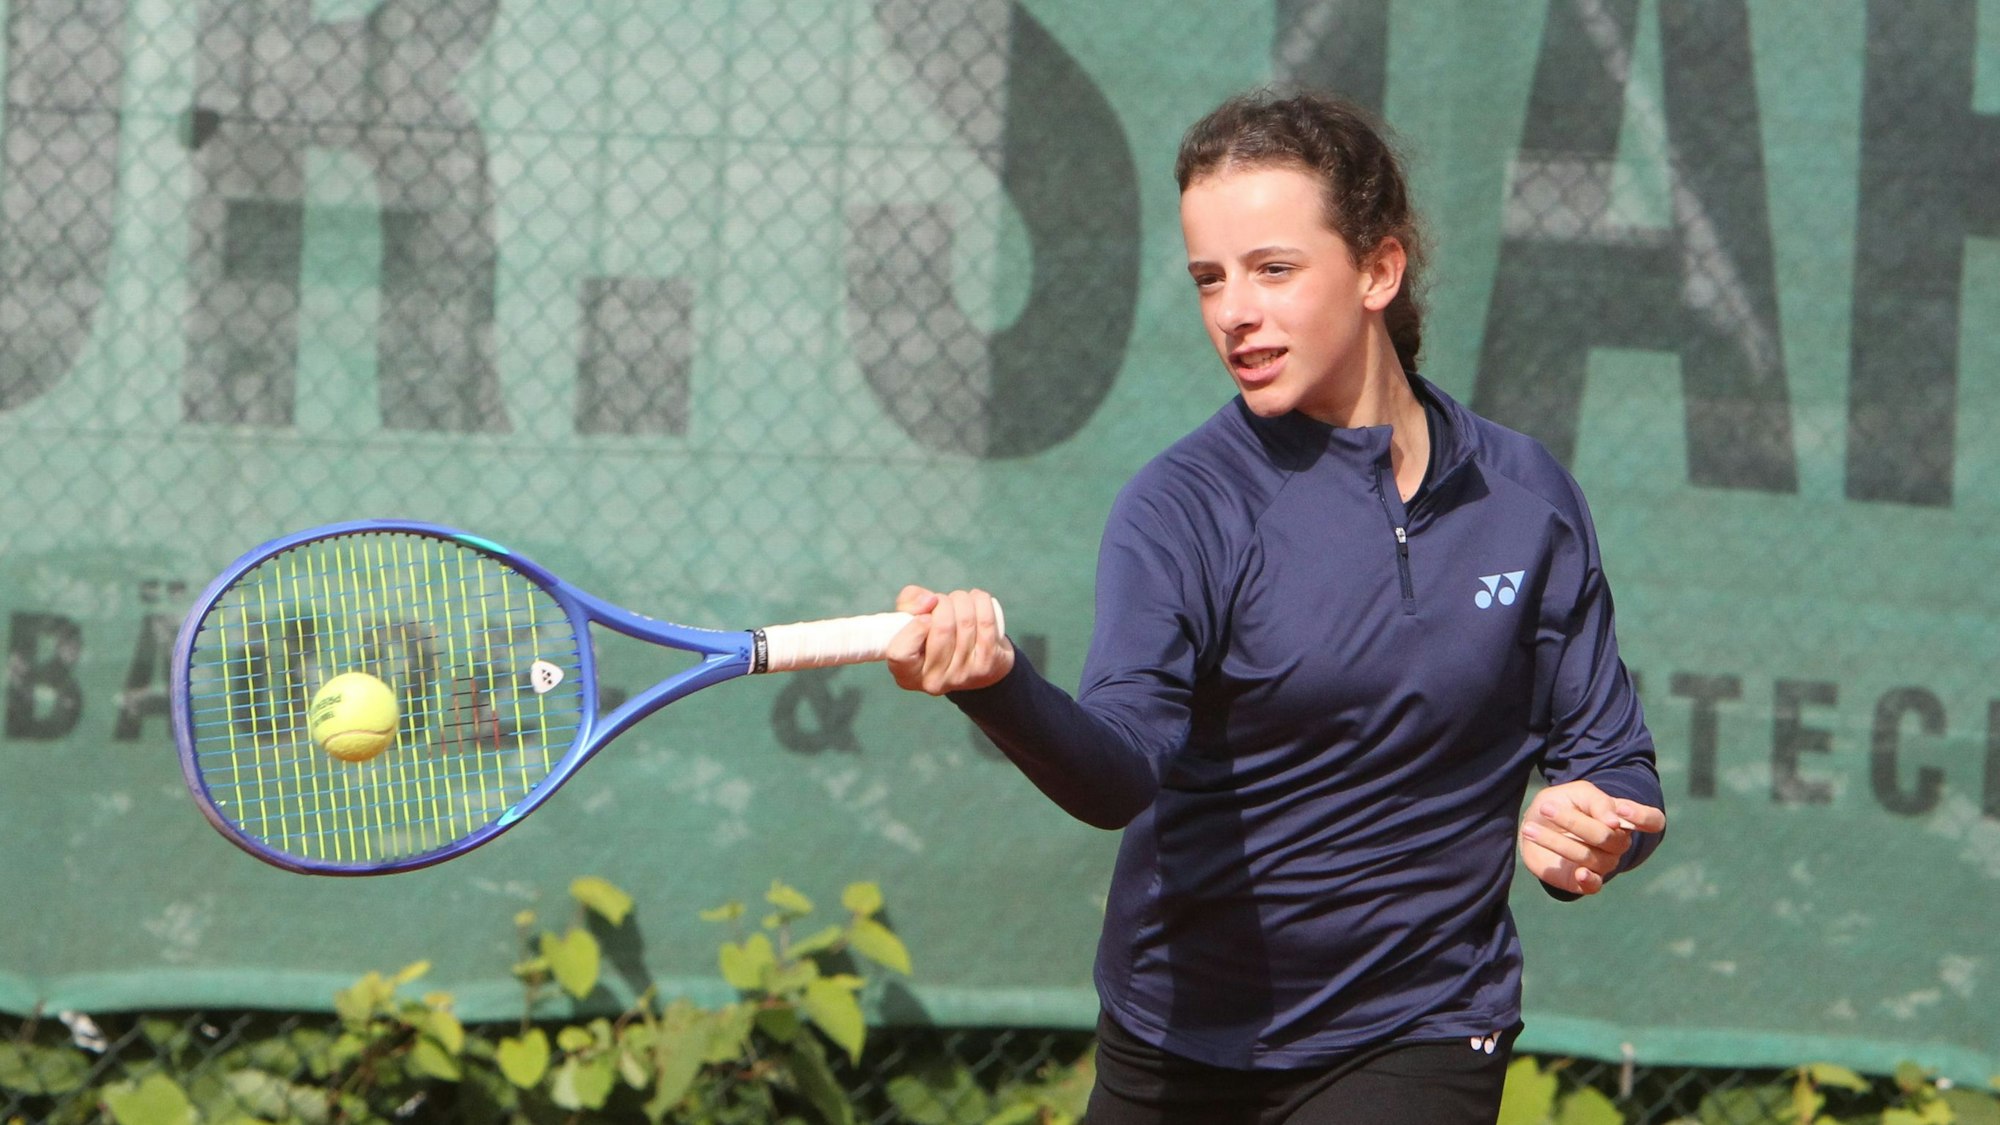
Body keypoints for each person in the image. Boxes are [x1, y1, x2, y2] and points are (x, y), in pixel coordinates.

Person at [885, 88, 1666, 1124]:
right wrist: (996, 686)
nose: (1232, 312)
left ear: (1377, 269)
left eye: (1271, 269)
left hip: (1421, 1025)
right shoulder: (1180, 509)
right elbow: (1119, 769)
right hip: (1178, 1038)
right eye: (1209, 278)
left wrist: (1594, 831)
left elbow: (1612, 764)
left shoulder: (1526, 502)